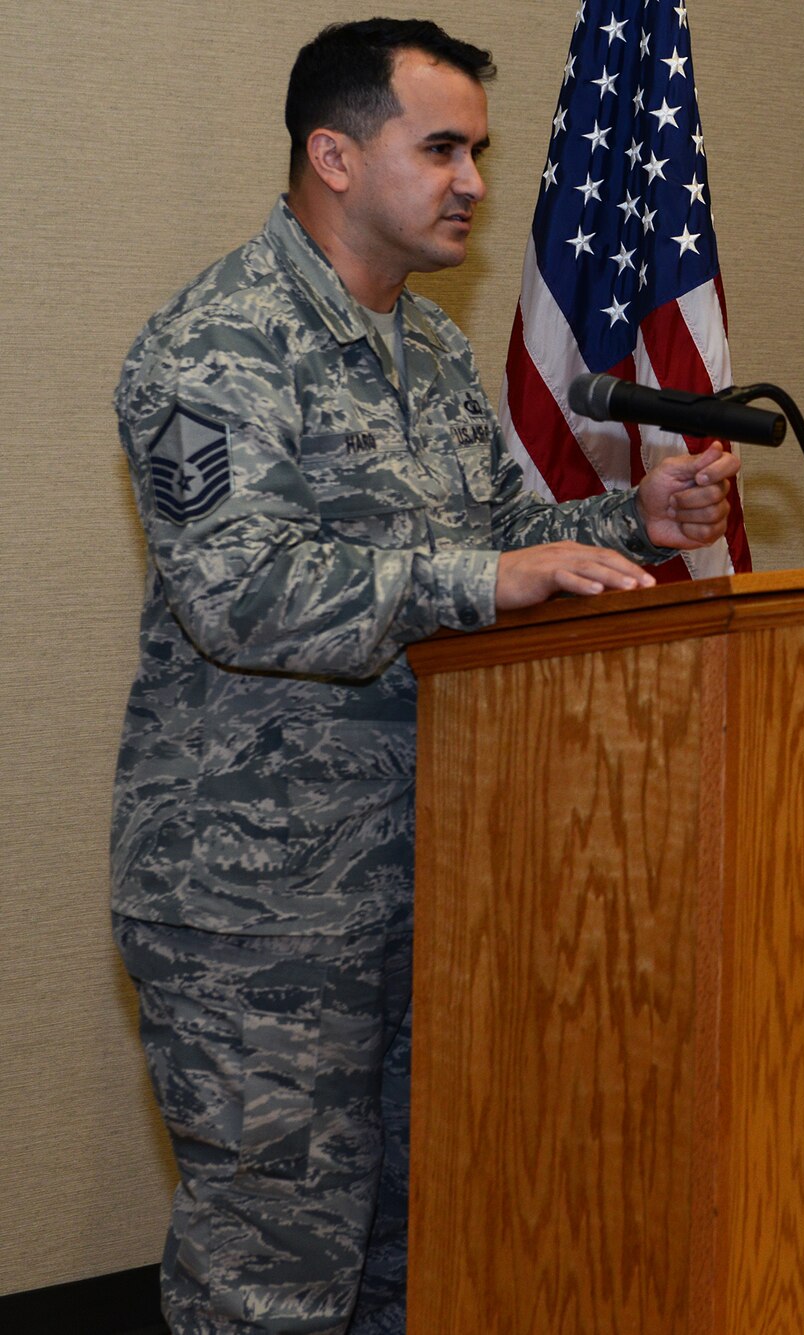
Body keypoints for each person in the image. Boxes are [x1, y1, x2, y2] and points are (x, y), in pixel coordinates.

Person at [110, 20, 740, 1334]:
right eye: (441, 147)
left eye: (483, 153)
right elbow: (240, 592)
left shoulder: (433, 353)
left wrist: (641, 522)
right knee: (271, 1277)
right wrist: (475, 584)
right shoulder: (217, 345)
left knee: (423, 1250)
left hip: (435, 880)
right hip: (256, 904)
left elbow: (497, 540)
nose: (473, 181)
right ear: (333, 156)